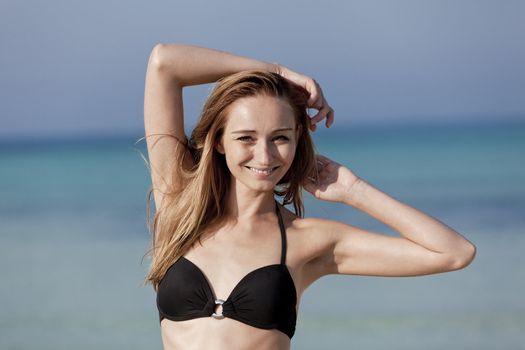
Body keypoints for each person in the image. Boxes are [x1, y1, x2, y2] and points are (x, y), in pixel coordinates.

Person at [141, 43, 476, 350]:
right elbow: (164, 63)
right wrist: (278, 72)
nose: (265, 155)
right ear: (218, 141)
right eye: (245, 138)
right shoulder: (178, 206)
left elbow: (454, 252)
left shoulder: (308, 240)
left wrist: (354, 191)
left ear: (298, 139)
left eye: (280, 138)